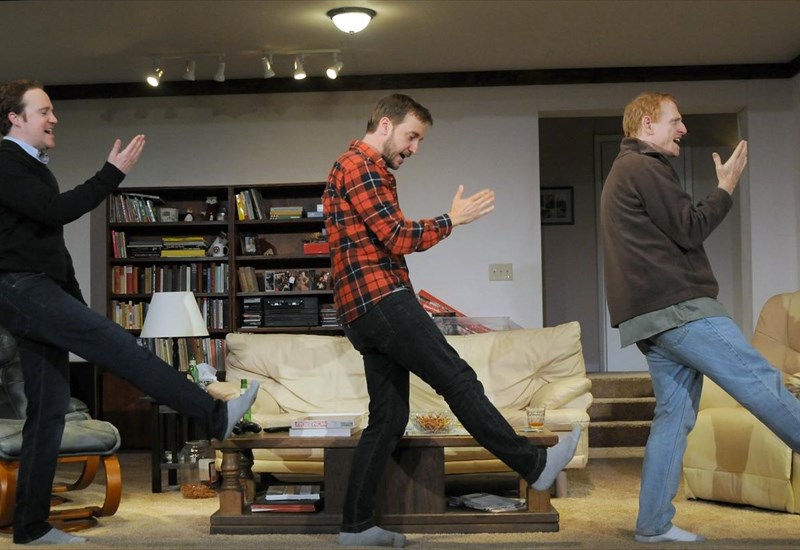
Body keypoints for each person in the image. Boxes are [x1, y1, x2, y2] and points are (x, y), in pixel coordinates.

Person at [0, 79, 259, 546]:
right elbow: (55, 212)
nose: (54, 118)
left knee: (49, 412)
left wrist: (74, 300)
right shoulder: (5, 161)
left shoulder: (31, 165)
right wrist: (110, 174)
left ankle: (31, 526)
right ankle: (214, 416)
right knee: (123, 348)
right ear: (15, 118)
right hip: (22, 289)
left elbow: (50, 247)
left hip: (39, 289)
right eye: (43, 111)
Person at [324, 93, 581, 548]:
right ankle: (535, 466)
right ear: (385, 125)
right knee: (458, 379)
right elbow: (397, 236)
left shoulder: (349, 167)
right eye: (411, 137)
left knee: (388, 417)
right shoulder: (362, 165)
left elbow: (379, 240)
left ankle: (355, 527)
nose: (414, 148)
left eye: (419, 140)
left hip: (360, 311)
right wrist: (452, 219)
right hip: (382, 300)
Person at [600, 91, 800, 543]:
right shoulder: (644, 166)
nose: (683, 129)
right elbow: (690, 227)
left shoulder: (622, 171)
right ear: (647, 125)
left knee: (673, 418)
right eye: (675, 120)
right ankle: (653, 524)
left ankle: (653, 525)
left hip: (651, 321)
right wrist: (725, 188)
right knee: (763, 385)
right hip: (682, 311)